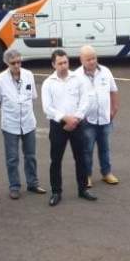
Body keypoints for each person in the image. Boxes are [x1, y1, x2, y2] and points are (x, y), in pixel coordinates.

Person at [42, 49, 95, 207]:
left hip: (77, 123)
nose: (64, 66)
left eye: (65, 62)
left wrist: (76, 119)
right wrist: (65, 118)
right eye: (60, 63)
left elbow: (85, 101)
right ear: (53, 64)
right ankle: (56, 192)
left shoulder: (78, 79)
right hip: (58, 125)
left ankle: (83, 189)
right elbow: (47, 108)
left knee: (81, 157)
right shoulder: (48, 83)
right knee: (56, 160)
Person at [0, 49, 45, 200]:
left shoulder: (28, 75)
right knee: (12, 158)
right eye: (13, 63)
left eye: (19, 62)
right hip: (10, 125)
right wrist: (10, 109)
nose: (17, 65)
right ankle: (14, 186)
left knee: (31, 156)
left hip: (28, 122)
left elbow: (33, 96)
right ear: (7, 63)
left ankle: (33, 183)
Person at [75, 45, 120, 187]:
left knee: (105, 148)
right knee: (87, 150)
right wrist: (79, 117)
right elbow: (73, 98)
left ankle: (106, 173)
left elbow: (113, 91)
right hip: (87, 121)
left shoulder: (105, 71)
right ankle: (87, 176)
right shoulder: (76, 76)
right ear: (81, 60)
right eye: (88, 59)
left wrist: (114, 109)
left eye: (93, 58)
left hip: (105, 118)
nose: (92, 61)